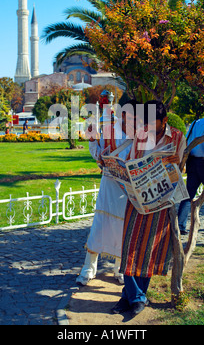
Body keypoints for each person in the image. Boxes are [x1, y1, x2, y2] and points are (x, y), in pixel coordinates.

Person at [112, 100, 186, 317]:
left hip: (161, 198)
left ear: (165, 120)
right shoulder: (140, 134)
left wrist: (176, 161)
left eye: (154, 125)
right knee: (129, 246)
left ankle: (131, 297)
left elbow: (180, 166)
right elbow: (132, 161)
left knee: (148, 249)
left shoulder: (178, 137)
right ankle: (135, 297)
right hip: (137, 198)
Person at [76, 100, 137, 286]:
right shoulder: (109, 129)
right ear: (123, 114)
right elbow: (98, 155)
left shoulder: (142, 135)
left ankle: (119, 268)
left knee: (124, 228)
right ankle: (89, 268)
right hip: (109, 184)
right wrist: (93, 139)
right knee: (100, 225)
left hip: (128, 187)